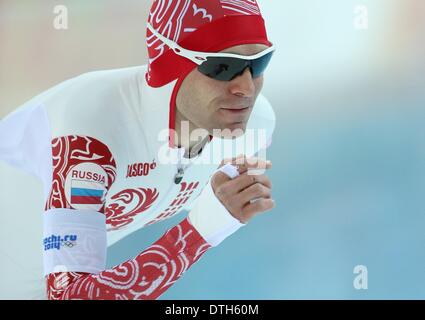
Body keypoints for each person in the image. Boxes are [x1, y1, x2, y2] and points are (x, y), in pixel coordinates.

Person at [0, 0, 276, 300]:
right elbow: (69, 297)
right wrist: (199, 231)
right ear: (171, 63)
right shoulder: (91, 136)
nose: (246, 89)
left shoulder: (253, 128)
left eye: (258, 63)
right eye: (223, 67)